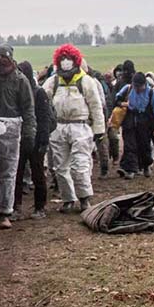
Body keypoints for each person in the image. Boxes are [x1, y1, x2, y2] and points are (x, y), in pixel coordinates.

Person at [0, 46, 35, 229]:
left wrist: (29, 133)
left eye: (4, 57)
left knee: (8, 174)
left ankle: (4, 212)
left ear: (10, 59)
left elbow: (28, 108)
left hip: (11, 129)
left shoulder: (20, 80)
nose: (0, 60)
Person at [44, 45, 104, 213]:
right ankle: (68, 198)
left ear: (76, 60)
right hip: (59, 126)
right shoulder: (54, 81)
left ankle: (85, 198)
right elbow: (42, 98)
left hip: (81, 126)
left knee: (80, 165)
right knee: (60, 167)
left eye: (68, 58)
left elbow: (96, 106)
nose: (65, 62)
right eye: (62, 59)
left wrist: (99, 129)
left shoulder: (86, 81)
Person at [15, 61, 53, 219]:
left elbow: (45, 119)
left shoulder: (39, 93)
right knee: (16, 175)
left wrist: (44, 140)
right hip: (20, 138)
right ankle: (15, 207)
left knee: (38, 174)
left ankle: (40, 207)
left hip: (36, 139)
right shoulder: (17, 90)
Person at [115, 72, 154, 179]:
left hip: (144, 122)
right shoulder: (128, 88)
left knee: (144, 146)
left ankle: (146, 166)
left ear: (144, 84)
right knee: (130, 145)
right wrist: (122, 104)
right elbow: (117, 99)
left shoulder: (151, 92)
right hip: (130, 120)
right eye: (136, 86)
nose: (138, 89)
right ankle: (130, 169)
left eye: (140, 86)